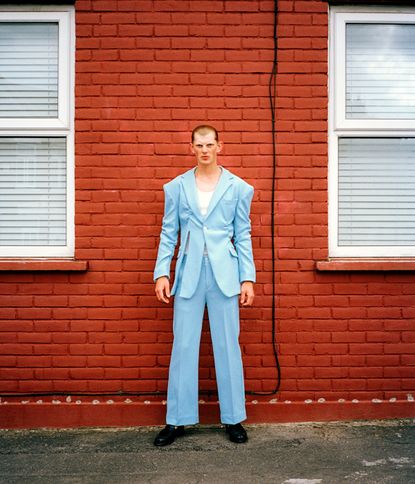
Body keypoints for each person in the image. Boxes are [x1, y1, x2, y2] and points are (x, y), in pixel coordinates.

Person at [153, 125, 256, 446]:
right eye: (199, 145)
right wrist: (161, 273)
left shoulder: (239, 188)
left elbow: (244, 234)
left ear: (219, 147)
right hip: (188, 275)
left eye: (210, 144)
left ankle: (233, 418)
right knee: (183, 346)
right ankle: (177, 420)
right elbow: (169, 232)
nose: (205, 150)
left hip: (225, 274)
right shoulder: (176, 187)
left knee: (228, 345)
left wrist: (247, 277)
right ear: (192, 148)